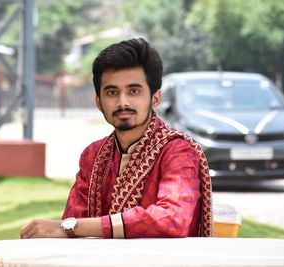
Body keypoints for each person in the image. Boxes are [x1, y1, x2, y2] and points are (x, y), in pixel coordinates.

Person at [20, 38, 213, 239]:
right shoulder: (93, 155)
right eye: (112, 92)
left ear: (155, 98)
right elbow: (73, 222)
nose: (122, 102)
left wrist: (74, 227)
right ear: (99, 102)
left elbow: (172, 219)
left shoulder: (177, 151)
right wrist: (70, 228)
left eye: (134, 91)